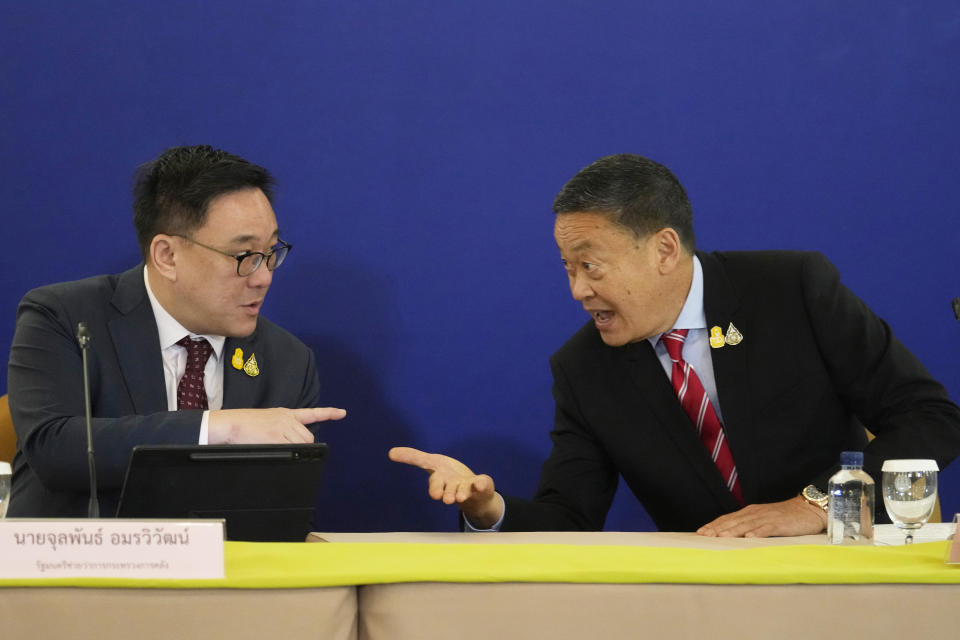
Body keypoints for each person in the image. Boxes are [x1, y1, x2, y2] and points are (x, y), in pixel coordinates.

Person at [390, 153, 960, 537]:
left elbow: (931, 419)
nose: (577, 291)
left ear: (664, 250)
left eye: (590, 266)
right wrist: (487, 508)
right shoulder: (585, 368)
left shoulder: (792, 290)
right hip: (710, 604)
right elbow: (569, 519)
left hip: (843, 574)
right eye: (567, 268)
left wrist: (811, 506)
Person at [7, 145, 346, 517]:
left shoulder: (288, 361)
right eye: (245, 257)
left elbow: (279, 506)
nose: (264, 277)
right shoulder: (65, 317)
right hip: (74, 567)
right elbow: (55, 448)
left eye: (271, 252)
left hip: (229, 571)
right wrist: (217, 428)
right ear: (167, 256)